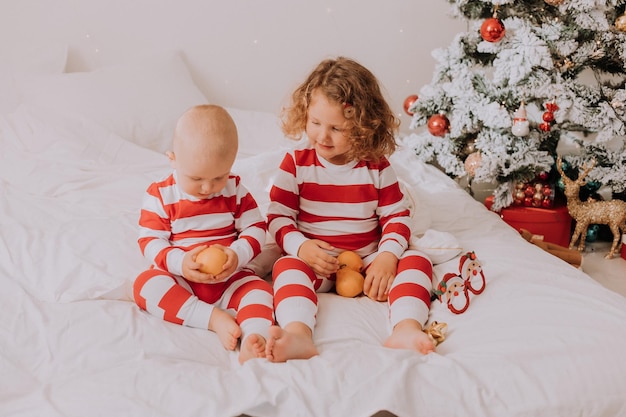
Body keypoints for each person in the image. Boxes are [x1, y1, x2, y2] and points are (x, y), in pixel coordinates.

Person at [265, 57, 435, 362]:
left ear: (362, 126)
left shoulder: (376, 166)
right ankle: (298, 334)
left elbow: (397, 216)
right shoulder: (296, 164)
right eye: (315, 122)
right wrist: (301, 248)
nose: (322, 136)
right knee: (285, 267)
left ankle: (406, 327)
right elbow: (279, 217)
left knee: (417, 260)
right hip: (317, 262)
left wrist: (387, 256)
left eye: (336, 128)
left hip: (367, 261)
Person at [133, 104, 274, 364]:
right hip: (182, 280)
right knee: (145, 286)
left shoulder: (235, 190)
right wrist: (180, 263)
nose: (208, 188)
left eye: (219, 177)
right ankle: (211, 319)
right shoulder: (161, 195)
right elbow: (150, 240)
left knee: (260, 290)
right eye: (196, 178)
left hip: (230, 278)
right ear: (173, 158)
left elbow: (256, 228)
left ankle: (256, 337)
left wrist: (237, 253)